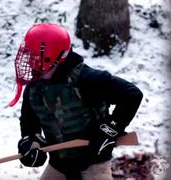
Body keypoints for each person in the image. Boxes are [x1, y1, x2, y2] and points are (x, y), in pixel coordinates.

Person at [9, 23, 143, 180]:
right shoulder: (34, 88)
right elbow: (29, 124)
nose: (29, 61)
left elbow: (132, 95)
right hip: (59, 165)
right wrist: (30, 143)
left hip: (93, 165)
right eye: (28, 55)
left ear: (50, 55)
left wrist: (109, 129)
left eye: (34, 56)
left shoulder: (87, 79)